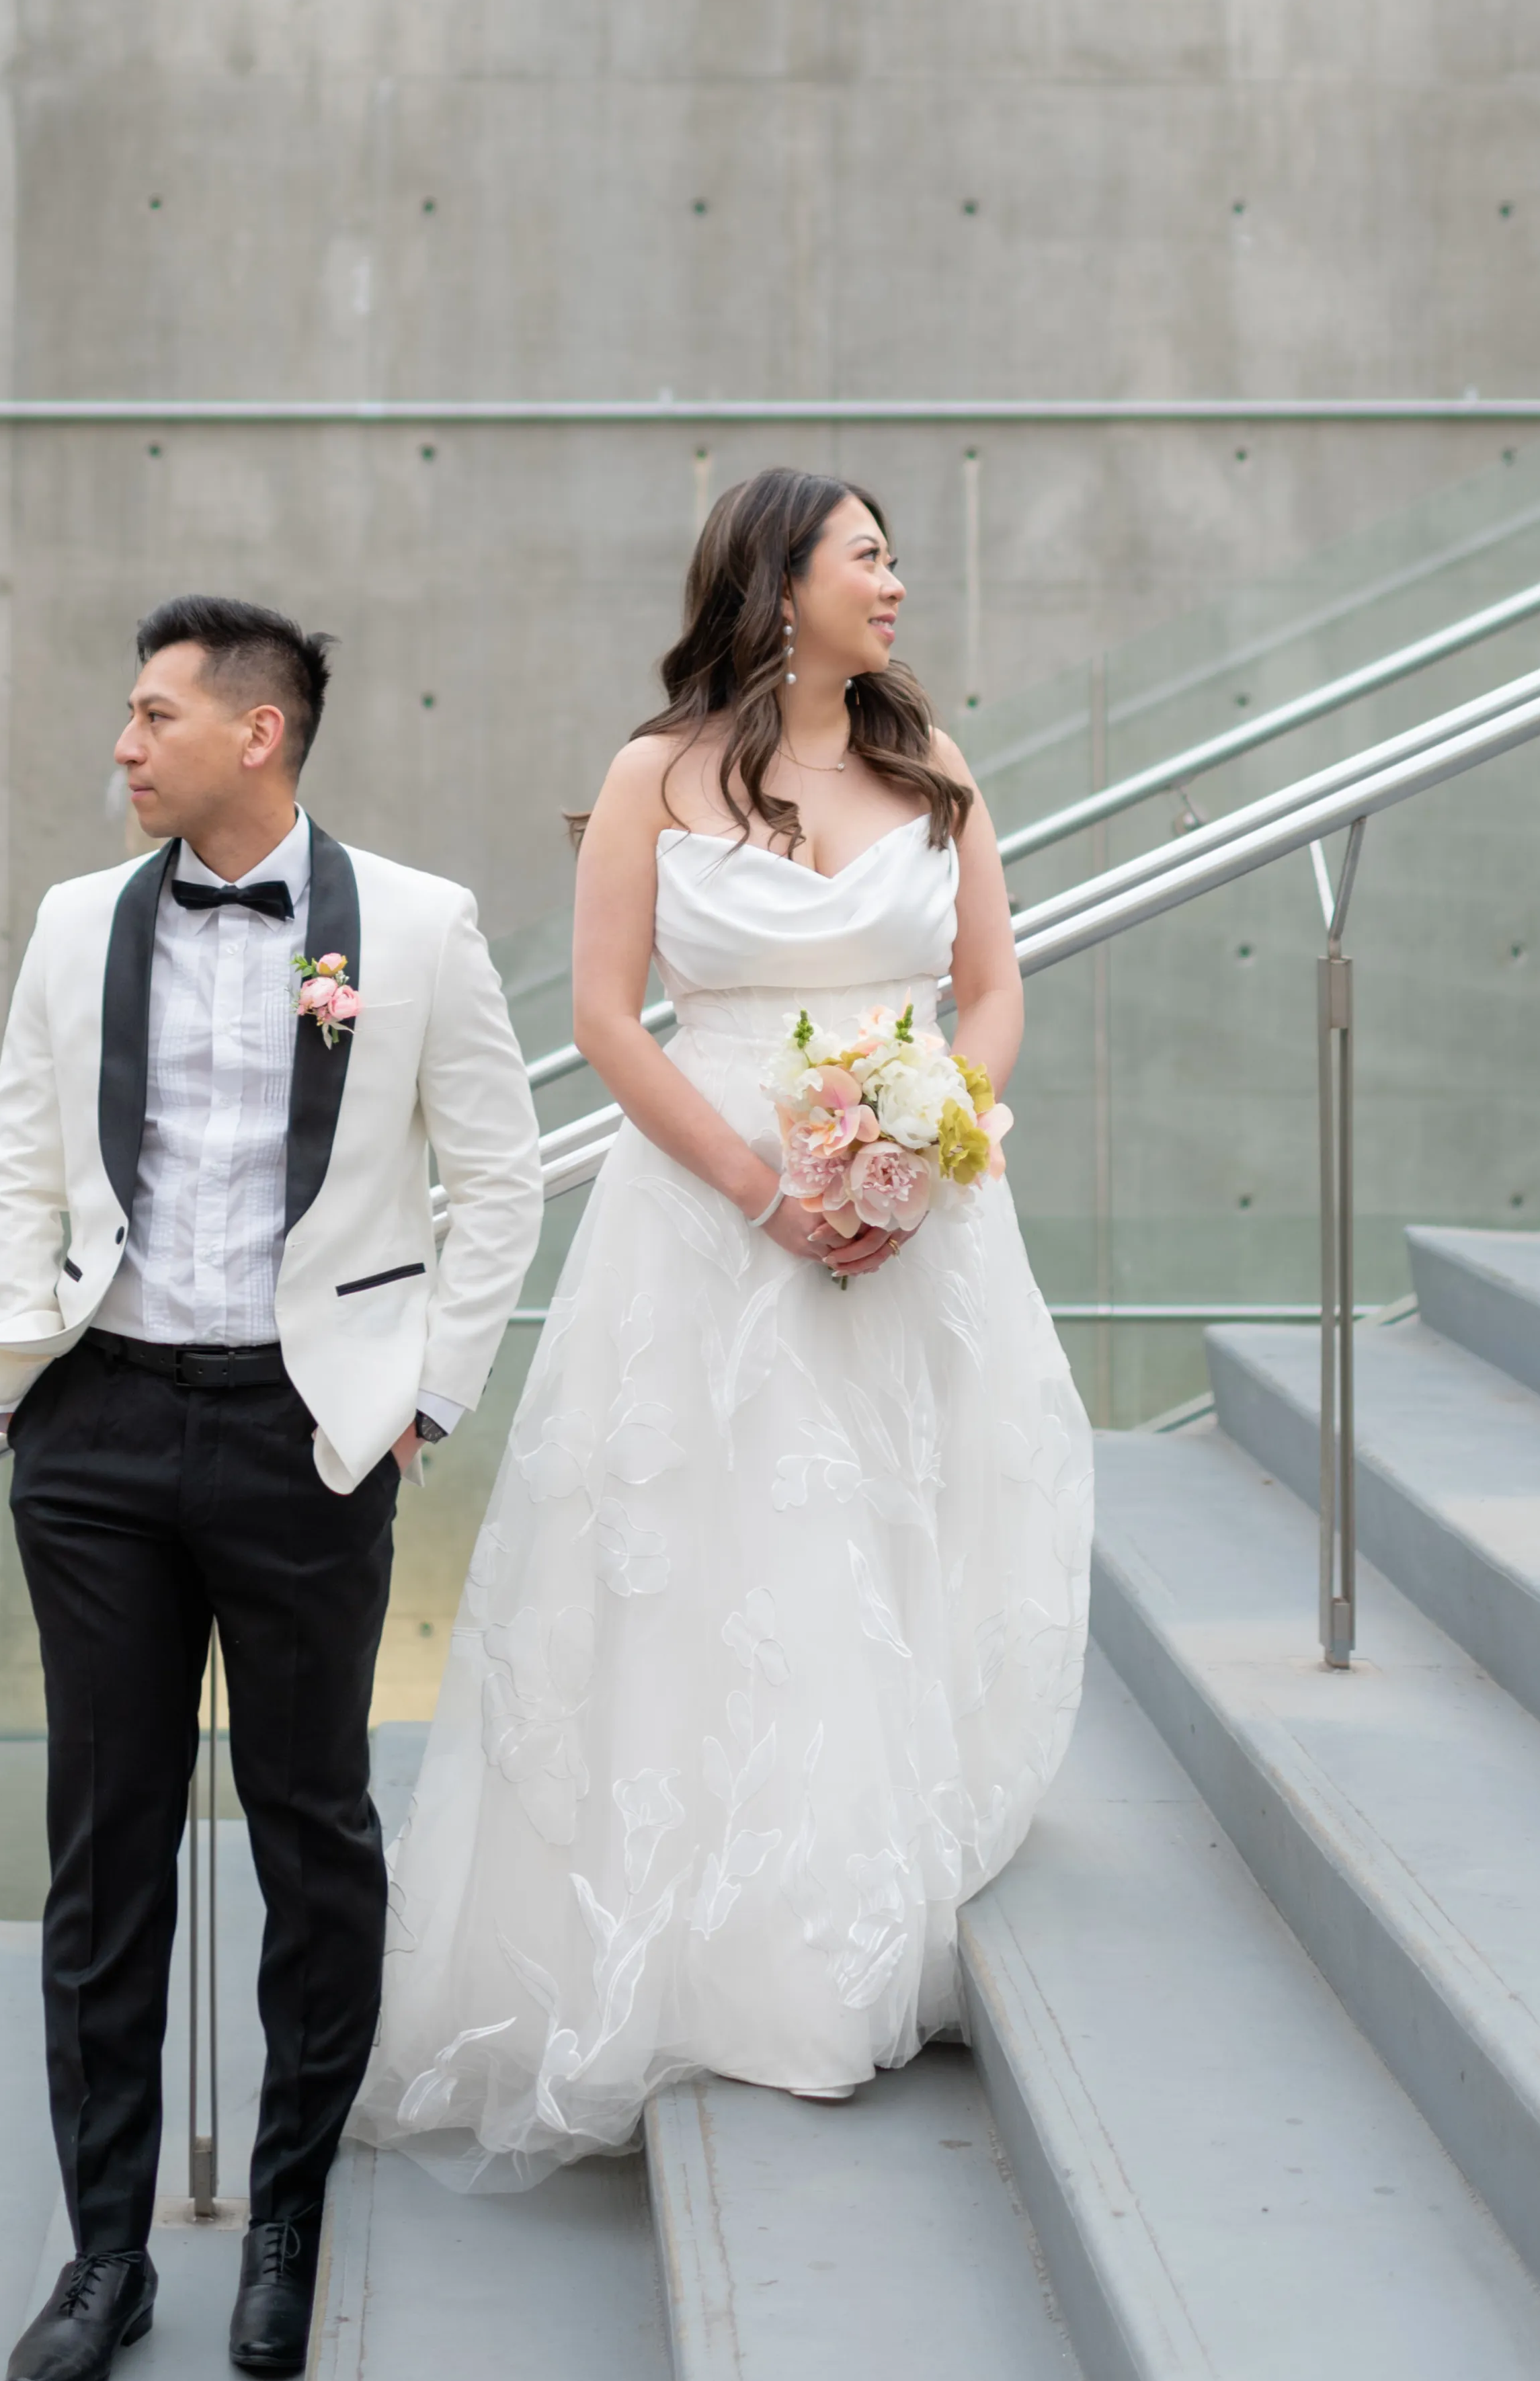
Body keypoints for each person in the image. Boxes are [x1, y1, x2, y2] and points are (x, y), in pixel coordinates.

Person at [353, 471, 1091, 2176]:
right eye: (868, 557)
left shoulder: (934, 762)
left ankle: (870, 1892)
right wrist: (770, 1190)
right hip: (710, 1211)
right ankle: (743, 1962)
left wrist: (927, 1142)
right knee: (737, 1556)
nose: (897, 585)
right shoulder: (653, 776)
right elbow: (609, 1020)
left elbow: (992, 985)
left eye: (895, 559)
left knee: (901, 1531)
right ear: (777, 582)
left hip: (917, 1211)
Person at [0, 595, 546, 2381]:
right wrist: (23, 1371)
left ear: (255, 733)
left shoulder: (422, 930)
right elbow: (19, 1149)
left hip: (308, 1441)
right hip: (104, 1431)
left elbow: (499, 1178)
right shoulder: (73, 923)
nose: (121, 748)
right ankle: (107, 2252)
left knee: (312, 1832)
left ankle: (284, 2219)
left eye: (150, 717)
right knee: (103, 1848)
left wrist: (419, 1400)